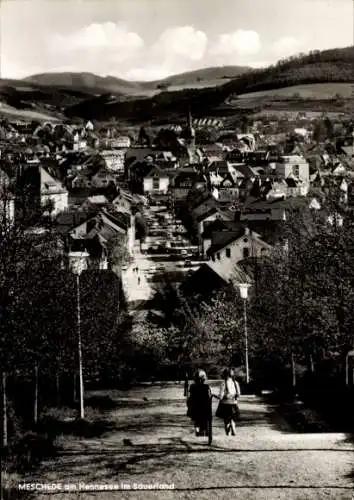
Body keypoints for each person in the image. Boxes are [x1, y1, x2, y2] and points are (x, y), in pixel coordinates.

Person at [216, 368, 241, 436]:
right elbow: (238, 394)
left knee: (226, 419)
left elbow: (221, 395)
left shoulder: (223, 383)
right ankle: (233, 424)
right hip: (233, 403)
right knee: (232, 417)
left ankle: (228, 432)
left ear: (224, 375)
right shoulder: (236, 383)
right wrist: (233, 396)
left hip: (225, 404)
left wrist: (218, 396)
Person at [187, 369, 212, 437]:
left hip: (195, 407)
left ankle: (197, 431)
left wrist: (189, 406)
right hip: (205, 407)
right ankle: (205, 431)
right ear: (204, 378)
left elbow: (189, 397)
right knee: (205, 420)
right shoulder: (207, 387)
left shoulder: (192, 386)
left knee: (197, 421)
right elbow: (210, 396)